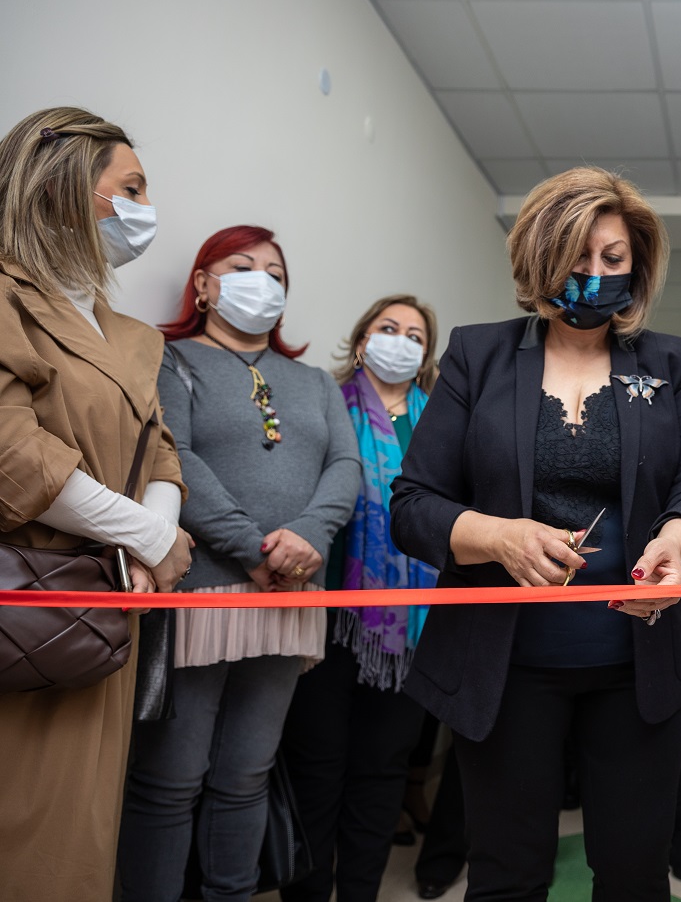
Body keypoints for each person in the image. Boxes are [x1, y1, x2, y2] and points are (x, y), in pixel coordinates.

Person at [389, 167, 681, 901]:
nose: (595, 274)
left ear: (637, 265)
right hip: (503, 665)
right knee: (507, 877)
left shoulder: (672, 363)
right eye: (577, 257)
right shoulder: (477, 356)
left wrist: (676, 544)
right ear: (540, 258)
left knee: (634, 877)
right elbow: (412, 506)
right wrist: (498, 536)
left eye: (614, 257)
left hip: (639, 664)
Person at [119, 226, 361, 901]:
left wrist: (308, 537)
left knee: (247, 776)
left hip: (290, 596)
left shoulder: (314, 381)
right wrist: (254, 550)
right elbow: (175, 458)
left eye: (275, 273)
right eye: (243, 265)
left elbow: (345, 465)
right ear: (203, 284)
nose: (264, 281)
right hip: (203, 594)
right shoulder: (170, 361)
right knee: (170, 781)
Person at [0, 106, 192, 900]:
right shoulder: (7, 297)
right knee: (29, 831)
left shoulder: (132, 334)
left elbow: (161, 450)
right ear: (64, 188)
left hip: (109, 606)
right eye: (132, 188)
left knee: (84, 833)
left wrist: (151, 542)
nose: (146, 208)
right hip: (26, 602)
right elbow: (11, 452)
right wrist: (145, 535)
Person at [279, 295, 441, 902]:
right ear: (362, 339)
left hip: (411, 629)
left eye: (415, 336)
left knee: (381, 772)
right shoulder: (325, 403)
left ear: (426, 356)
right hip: (329, 619)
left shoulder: (440, 423)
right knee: (316, 769)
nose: (400, 341)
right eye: (388, 328)